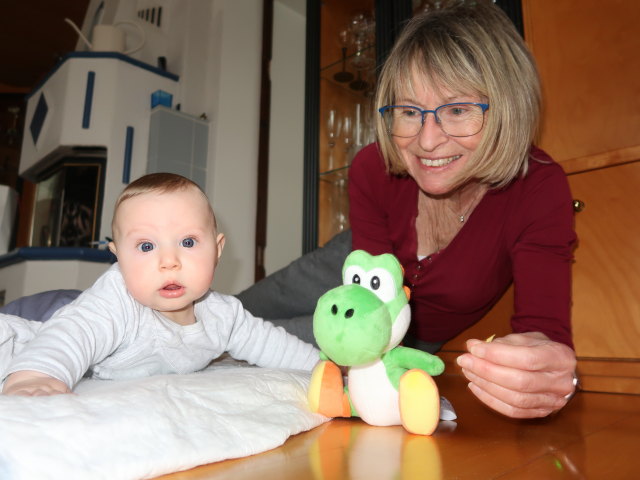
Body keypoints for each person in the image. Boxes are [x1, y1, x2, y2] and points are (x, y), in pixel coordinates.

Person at [240, 0, 578, 419]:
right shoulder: (372, 167)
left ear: (507, 109)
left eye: (457, 110)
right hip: (351, 263)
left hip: (405, 333)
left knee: (249, 345)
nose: (427, 140)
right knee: (233, 311)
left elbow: (544, 335)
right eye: (409, 112)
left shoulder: (539, 188)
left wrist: (547, 374)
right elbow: (365, 301)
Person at [1, 173, 319, 396]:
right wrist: (36, 376)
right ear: (119, 258)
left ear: (218, 250)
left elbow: (272, 344)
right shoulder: (117, 300)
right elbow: (72, 334)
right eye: (146, 247)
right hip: (46, 323)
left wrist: (324, 367)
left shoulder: (225, 315)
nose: (169, 261)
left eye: (188, 241)